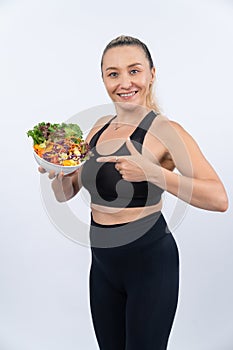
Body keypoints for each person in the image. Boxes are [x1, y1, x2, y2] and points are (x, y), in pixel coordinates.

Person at [39, 35, 228, 350]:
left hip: (150, 264)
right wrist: (57, 172)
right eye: (113, 73)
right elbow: (66, 193)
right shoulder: (98, 127)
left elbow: (219, 198)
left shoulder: (167, 132)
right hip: (102, 265)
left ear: (151, 74)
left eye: (134, 71)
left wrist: (154, 173)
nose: (124, 82)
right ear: (103, 79)